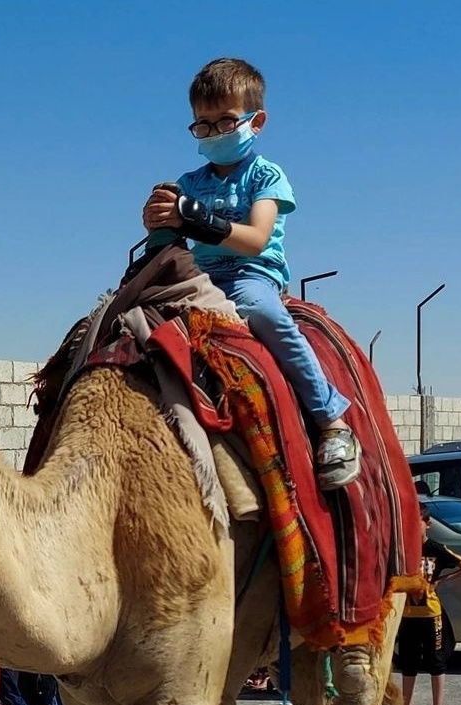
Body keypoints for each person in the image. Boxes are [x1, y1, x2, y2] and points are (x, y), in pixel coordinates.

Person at [142, 56, 361, 491]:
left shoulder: (266, 175)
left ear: (255, 121)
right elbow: (171, 236)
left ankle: (330, 418)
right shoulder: (189, 181)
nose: (212, 133)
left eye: (225, 121)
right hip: (198, 277)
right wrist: (158, 223)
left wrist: (198, 221)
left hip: (249, 274)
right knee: (126, 325)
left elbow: (257, 238)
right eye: (202, 124)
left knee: (263, 314)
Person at [383, 504, 461, 705]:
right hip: (407, 615)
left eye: (417, 524)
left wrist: (441, 581)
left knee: (436, 661)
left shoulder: (436, 549)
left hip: (430, 614)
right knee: (408, 663)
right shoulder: (403, 551)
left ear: (427, 524)